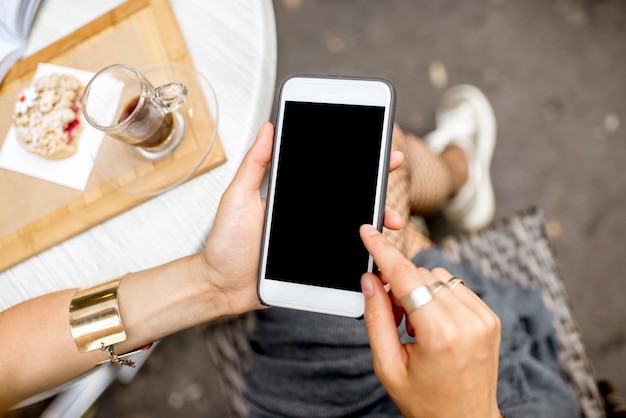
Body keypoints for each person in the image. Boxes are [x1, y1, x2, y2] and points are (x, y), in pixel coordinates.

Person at [0, 84, 573, 418]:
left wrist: (210, 283)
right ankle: (456, 174)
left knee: (379, 205)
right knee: (386, 170)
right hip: (473, 398)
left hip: (302, 391)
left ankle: (449, 182)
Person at [242, 85, 580, 418]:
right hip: (482, 396)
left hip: (310, 389)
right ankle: (456, 176)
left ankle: (454, 174)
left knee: (380, 168)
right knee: (384, 166)